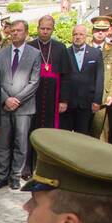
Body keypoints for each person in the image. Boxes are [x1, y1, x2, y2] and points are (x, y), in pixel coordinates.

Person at [0, 20, 40, 189]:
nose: (15, 33)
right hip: (4, 106)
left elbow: (34, 82)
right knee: (3, 143)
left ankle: (16, 176)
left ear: (26, 32)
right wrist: (6, 99)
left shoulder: (34, 54)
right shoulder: (1, 54)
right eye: (12, 31)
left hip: (24, 107)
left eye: (18, 31)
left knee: (21, 142)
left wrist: (16, 100)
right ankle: (2, 175)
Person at [25, 15, 68, 176]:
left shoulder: (60, 47)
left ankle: (48, 167)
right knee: (31, 131)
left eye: (48, 29)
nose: (44, 31)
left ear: (52, 29)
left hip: (52, 96)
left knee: (50, 133)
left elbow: (65, 76)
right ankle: (28, 165)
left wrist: (63, 100)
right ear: (38, 28)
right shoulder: (30, 46)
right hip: (33, 95)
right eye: (42, 28)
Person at [60, 23, 104, 135]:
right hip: (68, 103)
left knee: (83, 135)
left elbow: (99, 78)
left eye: (81, 34)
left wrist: (97, 100)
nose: (78, 37)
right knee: (66, 135)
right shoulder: (65, 53)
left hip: (86, 102)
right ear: (72, 36)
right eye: (75, 34)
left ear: (86, 36)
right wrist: (62, 100)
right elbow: (62, 78)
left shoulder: (95, 53)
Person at [91, 16, 112, 143]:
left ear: (108, 31)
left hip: (103, 96)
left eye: (103, 30)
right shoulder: (85, 47)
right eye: (97, 29)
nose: (100, 33)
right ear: (93, 30)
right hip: (85, 95)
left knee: (101, 131)